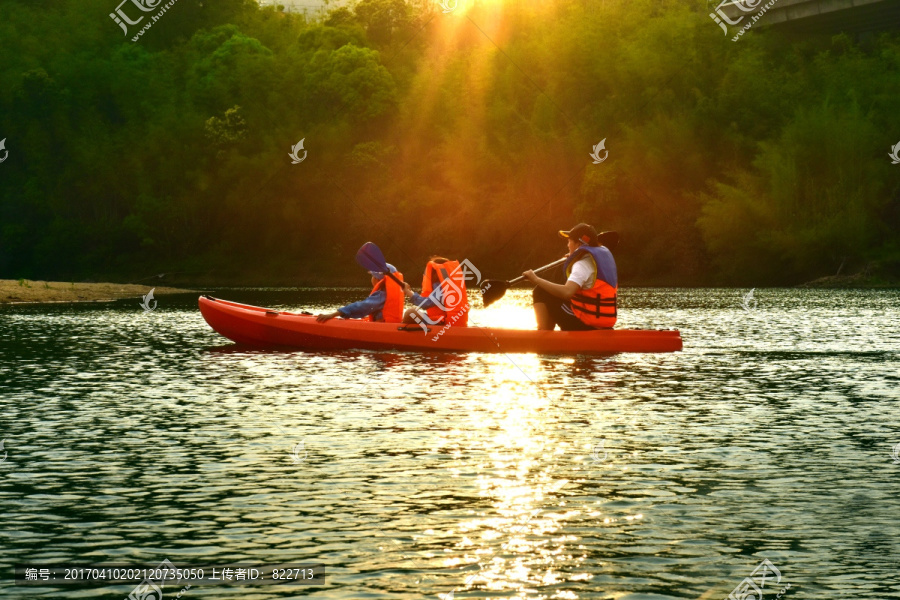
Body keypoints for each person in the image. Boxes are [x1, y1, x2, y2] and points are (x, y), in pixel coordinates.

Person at [522, 223, 617, 331]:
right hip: (602, 323)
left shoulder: (582, 264)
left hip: (585, 324)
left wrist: (535, 279)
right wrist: (575, 256)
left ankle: (543, 334)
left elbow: (567, 293)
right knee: (551, 291)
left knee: (540, 291)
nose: (568, 245)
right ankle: (547, 334)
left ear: (578, 243)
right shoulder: (598, 261)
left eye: (569, 241)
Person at [316, 263, 406, 323]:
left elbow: (361, 306)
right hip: (389, 325)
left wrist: (334, 314)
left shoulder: (381, 295)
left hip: (383, 327)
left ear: (378, 279)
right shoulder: (390, 293)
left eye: (372, 276)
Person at [401, 256, 470, 327]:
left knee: (410, 313)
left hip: (443, 322)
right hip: (451, 321)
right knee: (414, 314)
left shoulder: (440, 286)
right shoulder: (450, 285)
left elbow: (427, 303)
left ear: (435, 272)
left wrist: (408, 292)